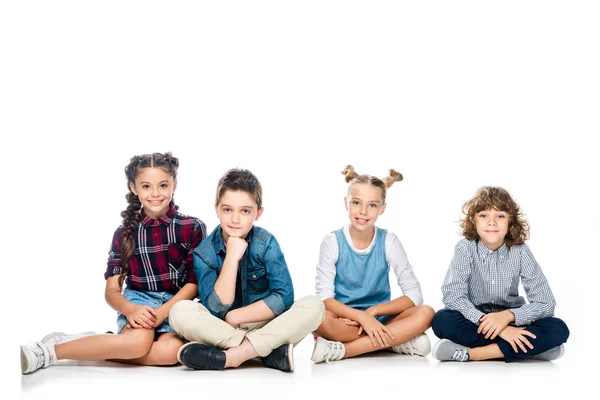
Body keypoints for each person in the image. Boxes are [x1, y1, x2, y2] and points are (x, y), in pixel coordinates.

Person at [20, 152, 207, 374]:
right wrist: (130, 310)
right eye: (146, 186)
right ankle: (51, 351)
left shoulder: (193, 227)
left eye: (163, 185)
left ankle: (95, 344)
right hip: (139, 302)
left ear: (174, 186)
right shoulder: (124, 233)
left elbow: (194, 283)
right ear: (133, 188)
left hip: (176, 307)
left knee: (171, 352)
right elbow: (111, 291)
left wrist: (162, 313)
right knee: (138, 344)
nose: (155, 193)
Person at [169, 168, 325, 372]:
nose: (235, 219)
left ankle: (233, 356)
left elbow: (284, 296)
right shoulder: (204, 253)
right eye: (227, 210)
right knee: (179, 311)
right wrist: (232, 257)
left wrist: (237, 316)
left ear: (258, 213)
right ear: (216, 209)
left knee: (314, 306)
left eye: (245, 211)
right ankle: (265, 351)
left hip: (266, 323)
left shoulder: (265, 243)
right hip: (222, 329)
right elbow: (216, 309)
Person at [311, 165, 434, 363]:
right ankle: (396, 342)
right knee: (316, 317)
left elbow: (414, 294)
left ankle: (345, 350)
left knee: (427, 313)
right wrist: (360, 318)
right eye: (357, 203)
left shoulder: (389, 241)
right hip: (345, 321)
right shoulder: (332, 241)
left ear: (382, 208)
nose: (363, 211)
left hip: (381, 319)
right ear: (346, 203)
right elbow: (324, 297)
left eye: (372, 205)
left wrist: (372, 312)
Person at [431, 186, 569, 362]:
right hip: (475, 321)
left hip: (513, 320)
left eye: (500, 216)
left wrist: (507, 317)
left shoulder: (520, 252)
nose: (492, 222)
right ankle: (532, 350)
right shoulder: (464, 248)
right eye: (483, 215)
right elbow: (453, 296)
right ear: (474, 221)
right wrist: (500, 329)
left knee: (558, 328)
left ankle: (474, 354)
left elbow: (546, 302)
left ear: (510, 222)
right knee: (442, 319)